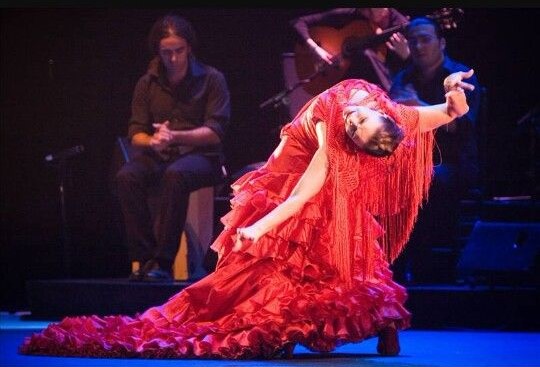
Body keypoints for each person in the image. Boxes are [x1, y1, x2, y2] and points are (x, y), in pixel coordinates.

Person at [20, 70, 474, 358]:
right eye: (359, 120)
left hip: (298, 189)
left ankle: (292, 333)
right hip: (288, 174)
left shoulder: (332, 138)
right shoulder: (384, 105)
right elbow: (451, 108)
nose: (352, 118)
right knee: (334, 268)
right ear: (383, 113)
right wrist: (454, 88)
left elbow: (299, 197)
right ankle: (373, 332)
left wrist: (257, 227)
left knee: (288, 274)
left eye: (354, 129)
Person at [114, 14, 231, 282]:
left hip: (203, 158)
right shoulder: (147, 83)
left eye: (178, 51)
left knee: (176, 175)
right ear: (158, 50)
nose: (173, 58)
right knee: (126, 176)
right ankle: (144, 259)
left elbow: (215, 133)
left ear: (189, 47)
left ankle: (163, 262)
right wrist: (152, 141)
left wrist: (175, 136)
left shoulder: (212, 79)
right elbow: (136, 133)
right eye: (167, 52)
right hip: (161, 154)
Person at [389, 17, 481, 283]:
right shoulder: (404, 77)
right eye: (413, 40)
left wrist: (417, 105)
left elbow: (462, 128)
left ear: (441, 42)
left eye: (425, 39)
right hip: (410, 159)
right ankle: (390, 268)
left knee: (428, 178)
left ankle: (429, 268)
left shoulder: (460, 76)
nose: (418, 46)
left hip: (453, 162)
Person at [290, 8, 410, 92]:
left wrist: (407, 56)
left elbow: (416, 72)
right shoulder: (356, 14)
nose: (366, 13)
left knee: (366, 55)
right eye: (364, 11)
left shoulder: (401, 25)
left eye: (370, 10)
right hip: (343, 86)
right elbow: (298, 22)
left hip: (380, 88)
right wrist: (315, 48)